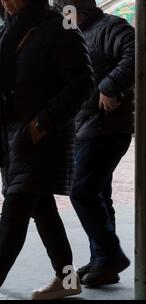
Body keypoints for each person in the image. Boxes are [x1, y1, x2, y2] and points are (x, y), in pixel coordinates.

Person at [0, 0, 94, 300]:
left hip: (42, 136)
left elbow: (83, 82)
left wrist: (43, 122)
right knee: (41, 208)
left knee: (16, 207)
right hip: (10, 138)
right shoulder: (0, 35)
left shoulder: (59, 26)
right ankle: (67, 280)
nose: (8, 2)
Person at [54, 0, 134, 287]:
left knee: (82, 192)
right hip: (85, 129)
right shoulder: (75, 36)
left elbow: (136, 51)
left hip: (106, 127)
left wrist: (110, 86)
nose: (61, 15)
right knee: (99, 196)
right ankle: (102, 260)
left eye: (63, 9)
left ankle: (110, 255)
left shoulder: (110, 27)